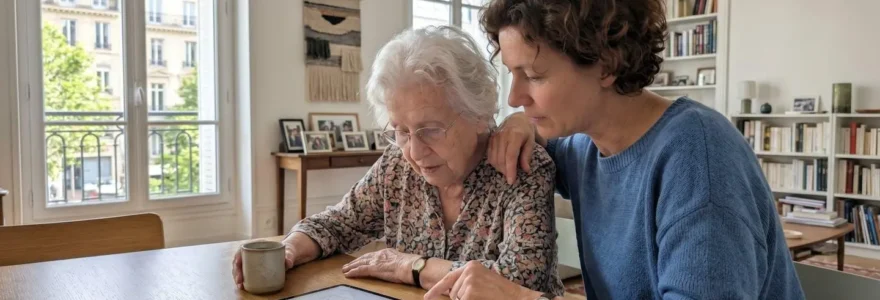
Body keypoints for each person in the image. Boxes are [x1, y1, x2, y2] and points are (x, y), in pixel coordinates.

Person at [425, 0, 806, 299]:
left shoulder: (698, 157)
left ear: (606, 64)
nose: (515, 96)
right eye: (512, 73)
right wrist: (520, 122)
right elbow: (529, 144)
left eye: (535, 76)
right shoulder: (582, 146)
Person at [232, 25, 565, 297]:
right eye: (401, 131)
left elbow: (521, 282)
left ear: (479, 114)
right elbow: (339, 223)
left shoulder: (518, 164)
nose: (415, 153)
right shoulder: (397, 165)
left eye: (430, 130)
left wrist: (412, 266)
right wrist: (289, 249)